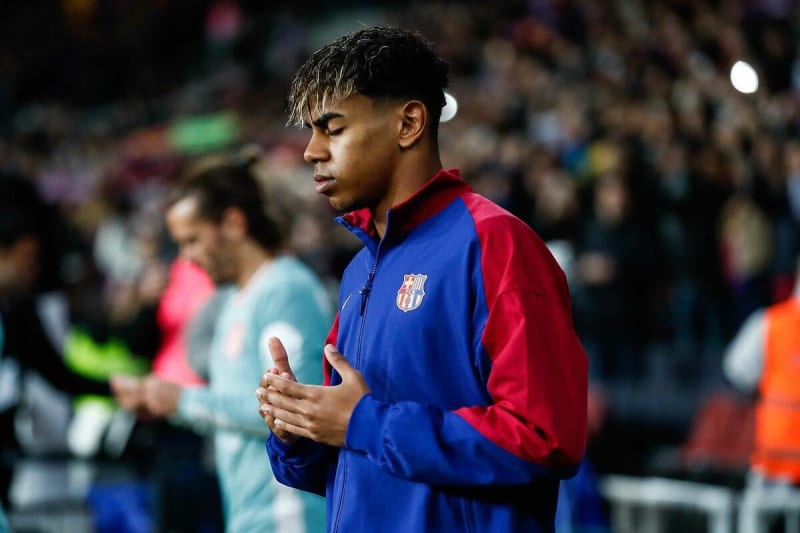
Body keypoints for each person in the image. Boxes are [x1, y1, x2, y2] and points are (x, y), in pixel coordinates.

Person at [256, 26, 588, 532]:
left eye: (333, 128)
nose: (311, 151)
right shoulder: (359, 270)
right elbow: (352, 457)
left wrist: (363, 422)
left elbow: (544, 439)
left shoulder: (496, 244)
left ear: (409, 122)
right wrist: (299, 428)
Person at [111, 153, 330, 533]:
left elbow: (295, 415)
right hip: (248, 515)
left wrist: (181, 401)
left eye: (191, 240)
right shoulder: (232, 300)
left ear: (232, 223)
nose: (187, 258)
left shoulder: (286, 289)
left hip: (288, 517)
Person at [723, 253, 800, 486]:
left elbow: (736, 371)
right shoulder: (771, 323)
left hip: (772, 463)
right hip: (774, 465)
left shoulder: (770, 323)